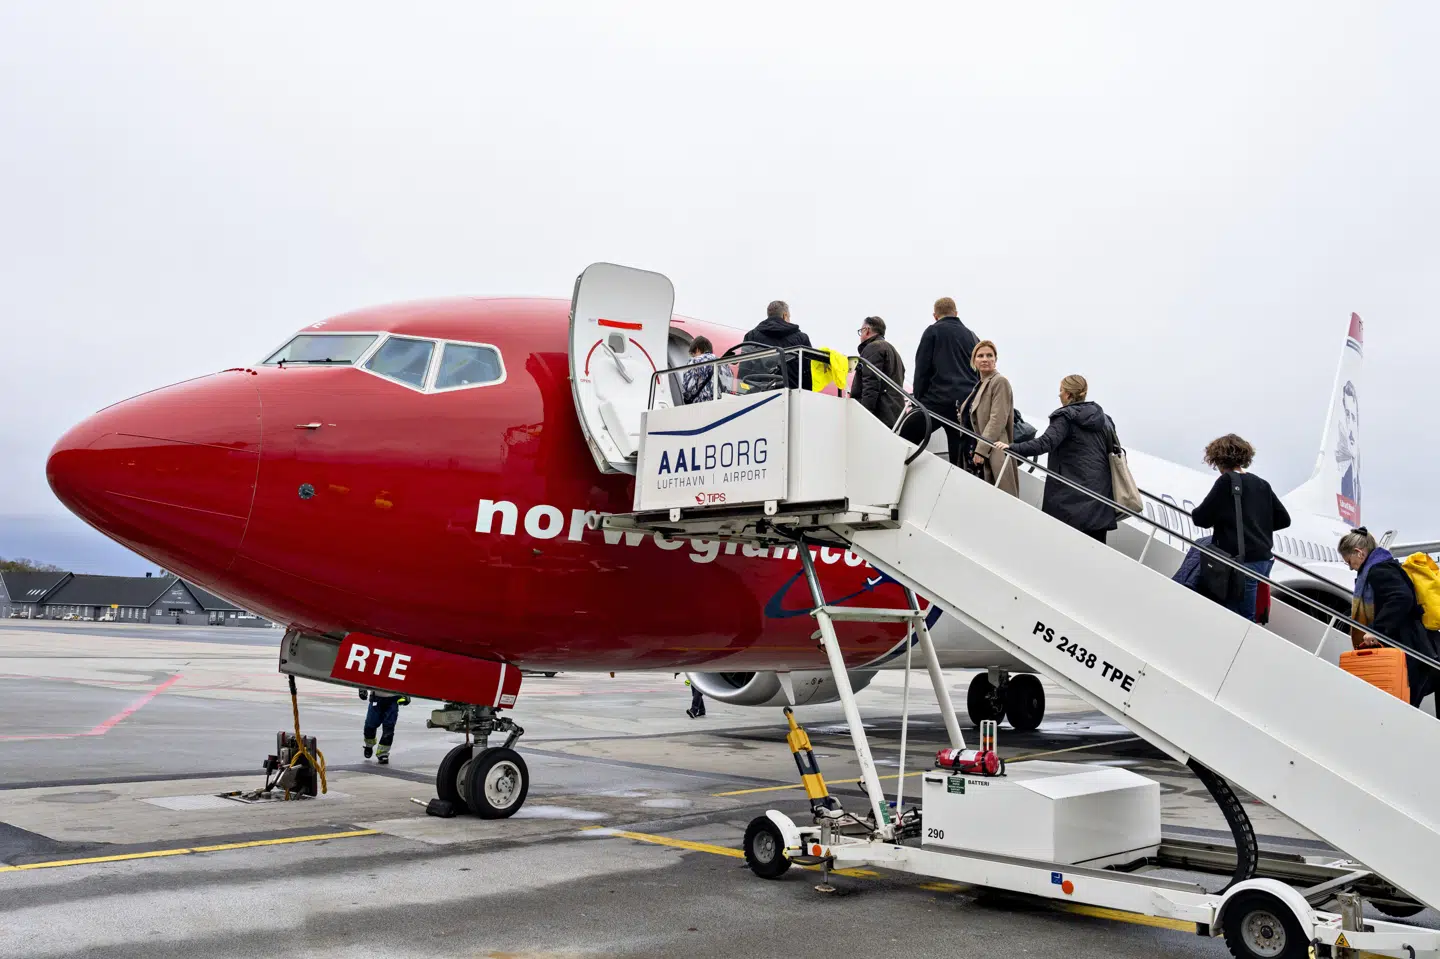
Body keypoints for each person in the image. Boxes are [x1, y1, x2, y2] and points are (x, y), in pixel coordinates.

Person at [995, 374, 1117, 542]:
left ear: (1068, 394)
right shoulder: (1105, 421)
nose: (1059, 394)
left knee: (1063, 552)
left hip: (1071, 499)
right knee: (1094, 557)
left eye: (1061, 390)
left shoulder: (1066, 417)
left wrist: (1012, 447)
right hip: (1100, 500)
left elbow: (1045, 443)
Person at [1189, 434, 1291, 621]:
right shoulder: (1262, 484)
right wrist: (1256, 527)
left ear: (1217, 458)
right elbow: (1284, 520)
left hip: (1241, 562)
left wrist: (1231, 524)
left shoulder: (1226, 481)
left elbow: (1201, 518)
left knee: (1239, 618)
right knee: (1243, 613)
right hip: (1263, 561)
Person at [1340, 526, 1439, 710]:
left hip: (1410, 646)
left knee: (1402, 705)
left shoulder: (1378, 570)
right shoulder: (1384, 565)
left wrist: (1377, 629)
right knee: (1403, 703)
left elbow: (1401, 597)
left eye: (1349, 561)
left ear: (1359, 553)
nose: (1351, 567)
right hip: (1416, 645)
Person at [902, 297, 979, 465]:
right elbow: (979, 374)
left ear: (935, 315)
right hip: (966, 406)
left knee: (904, 437)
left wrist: (919, 402)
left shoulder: (932, 332)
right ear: (956, 313)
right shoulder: (973, 337)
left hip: (937, 401)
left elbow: (922, 370)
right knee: (959, 461)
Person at [960, 339, 1018, 497]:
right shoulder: (979, 385)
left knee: (996, 497)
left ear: (995, 359)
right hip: (974, 450)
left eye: (989, 355)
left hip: (990, 450)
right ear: (974, 361)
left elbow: (997, 419)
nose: (985, 359)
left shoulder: (1000, 382)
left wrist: (981, 450)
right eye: (980, 356)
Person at [741, 300, 813, 390]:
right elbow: (809, 371)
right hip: (793, 394)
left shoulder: (751, 336)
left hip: (759, 393)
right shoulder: (801, 338)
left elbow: (744, 370)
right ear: (785, 315)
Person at [852, 316, 906, 427]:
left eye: (861, 331)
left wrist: (865, 415)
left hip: (881, 415)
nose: (860, 335)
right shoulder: (894, 351)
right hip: (895, 414)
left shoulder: (873, 348)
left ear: (866, 330)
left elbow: (870, 384)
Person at [360, 687, 409, 765]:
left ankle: (383, 753)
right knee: (370, 725)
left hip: (393, 699)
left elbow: (407, 678)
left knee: (389, 727)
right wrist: (362, 688)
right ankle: (369, 745)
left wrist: (407, 694)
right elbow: (365, 676)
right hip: (376, 698)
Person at [680, 336, 723, 404]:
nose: (692, 356)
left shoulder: (695, 362)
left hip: (701, 406)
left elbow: (687, 388)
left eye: (692, 354)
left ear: (697, 349)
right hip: (721, 405)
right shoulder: (724, 363)